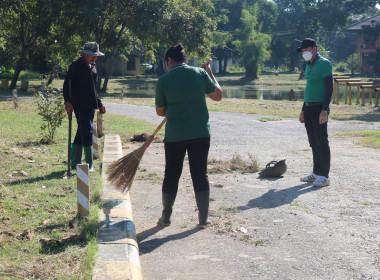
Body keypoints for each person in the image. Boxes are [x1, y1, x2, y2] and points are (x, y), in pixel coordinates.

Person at [155, 44, 222, 228]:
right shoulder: (199, 74)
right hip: (200, 133)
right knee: (200, 174)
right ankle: (203, 219)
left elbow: (160, 112)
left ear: (169, 60)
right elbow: (218, 95)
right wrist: (209, 72)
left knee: (171, 174)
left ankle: (166, 216)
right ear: (185, 59)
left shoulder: (163, 80)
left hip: (175, 135)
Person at [63, 42, 106, 172]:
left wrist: (99, 103)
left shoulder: (93, 68)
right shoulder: (75, 67)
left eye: (96, 56)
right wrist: (67, 101)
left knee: (81, 132)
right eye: (91, 55)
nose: (94, 58)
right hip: (79, 105)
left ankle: (75, 162)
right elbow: (66, 86)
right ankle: (89, 163)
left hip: (91, 105)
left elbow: (94, 89)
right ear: (84, 54)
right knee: (87, 131)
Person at [297, 38, 333, 187]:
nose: (304, 53)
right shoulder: (308, 64)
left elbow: (330, 88)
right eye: (303, 51)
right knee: (313, 142)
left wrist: (324, 110)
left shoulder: (324, 63)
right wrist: (303, 109)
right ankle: (316, 172)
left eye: (306, 50)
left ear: (314, 49)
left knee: (321, 141)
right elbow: (309, 88)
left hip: (319, 108)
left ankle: (325, 176)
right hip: (309, 107)